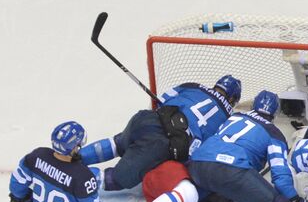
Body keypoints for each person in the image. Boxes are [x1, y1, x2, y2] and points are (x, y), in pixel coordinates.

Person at [79, 75, 241, 191]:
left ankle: (72, 157)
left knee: (118, 143)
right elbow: (209, 149)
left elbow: (160, 100)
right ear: (233, 99)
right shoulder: (228, 119)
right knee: (115, 180)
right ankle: (73, 177)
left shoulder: (193, 86)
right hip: (160, 142)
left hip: (146, 118)